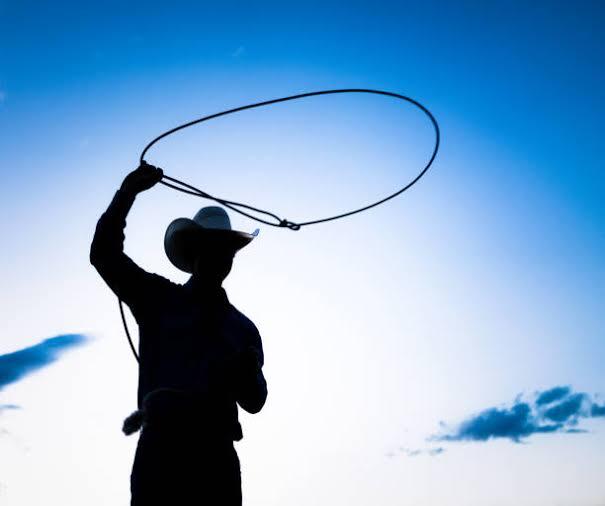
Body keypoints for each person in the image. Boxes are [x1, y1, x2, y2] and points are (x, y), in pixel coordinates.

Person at [89, 161, 268, 505]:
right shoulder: (157, 298)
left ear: (232, 257)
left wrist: (245, 374)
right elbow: (104, 254)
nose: (219, 256)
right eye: (211, 247)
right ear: (194, 253)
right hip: (163, 455)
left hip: (216, 462)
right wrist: (127, 193)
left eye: (225, 248)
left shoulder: (244, 329)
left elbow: (255, 401)